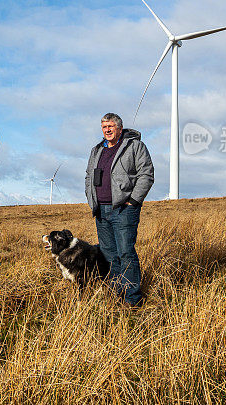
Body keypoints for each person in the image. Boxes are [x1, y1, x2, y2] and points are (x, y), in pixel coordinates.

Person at [85, 113, 154, 307]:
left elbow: (146, 174)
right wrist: (92, 201)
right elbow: (89, 176)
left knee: (125, 253)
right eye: (104, 127)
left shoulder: (135, 146)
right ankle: (118, 295)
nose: (107, 130)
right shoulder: (96, 150)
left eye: (110, 127)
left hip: (123, 209)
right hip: (101, 210)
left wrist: (133, 201)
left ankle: (132, 300)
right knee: (109, 256)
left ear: (119, 128)